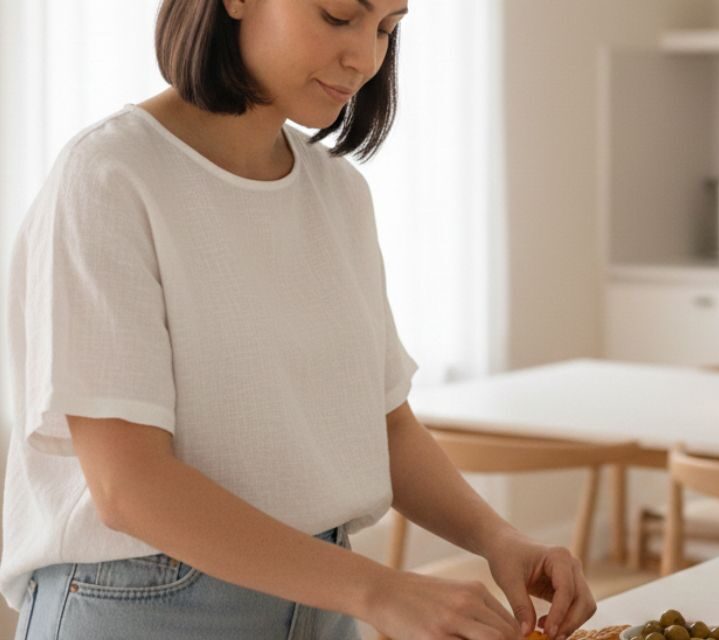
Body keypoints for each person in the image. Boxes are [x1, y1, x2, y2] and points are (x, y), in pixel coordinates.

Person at [0, 1, 597, 638]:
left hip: (321, 601)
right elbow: (129, 485)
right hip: (143, 609)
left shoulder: (337, 191)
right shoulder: (109, 177)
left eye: (386, 29)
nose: (366, 57)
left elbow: (383, 425)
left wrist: (499, 538)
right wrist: (380, 591)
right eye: (340, 16)